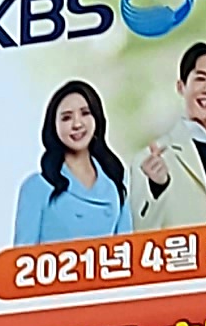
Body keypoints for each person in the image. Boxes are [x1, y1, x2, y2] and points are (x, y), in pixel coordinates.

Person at [135, 38, 206, 229]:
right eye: (200, 79)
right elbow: (139, 229)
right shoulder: (152, 159)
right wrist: (157, 186)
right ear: (181, 86)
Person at [10, 78, 131, 246]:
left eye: (85, 113)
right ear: (54, 126)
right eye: (66, 118)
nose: (77, 124)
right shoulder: (37, 187)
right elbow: (23, 256)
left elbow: (127, 249)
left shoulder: (115, 180)